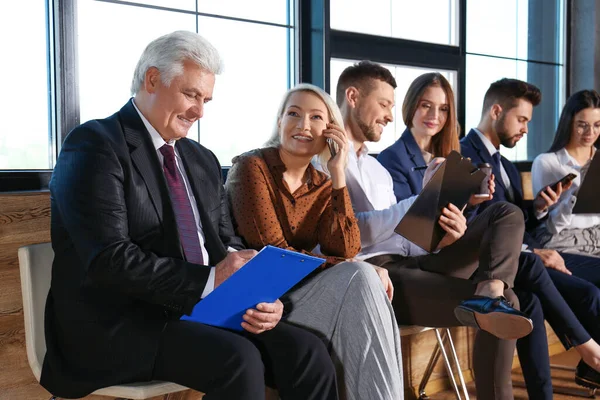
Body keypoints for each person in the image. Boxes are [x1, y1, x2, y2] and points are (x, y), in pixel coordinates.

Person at [44, 31, 338, 400]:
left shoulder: (201, 159)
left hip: (199, 310)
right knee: (239, 358)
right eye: (191, 95)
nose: (199, 111)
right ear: (152, 79)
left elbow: (225, 242)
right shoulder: (94, 145)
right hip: (120, 321)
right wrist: (211, 278)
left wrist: (259, 294)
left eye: (206, 99)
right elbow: (109, 260)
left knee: (307, 352)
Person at [330, 60, 535, 400]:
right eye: (384, 105)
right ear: (352, 97)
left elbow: (405, 239)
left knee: (506, 213)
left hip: (412, 261)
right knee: (508, 302)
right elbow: (351, 235)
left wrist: (446, 235)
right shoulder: (331, 161)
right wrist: (420, 200)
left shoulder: (377, 170)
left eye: (390, 107)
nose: (389, 116)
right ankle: (491, 295)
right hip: (377, 276)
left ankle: (491, 288)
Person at [226, 83, 403, 400]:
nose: (303, 125)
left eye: (316, 118)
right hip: (255, 299)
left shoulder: (322, 183)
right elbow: (275, 253)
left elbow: (346, 247)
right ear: (280, 121)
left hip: (297, 296)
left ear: (330, 131)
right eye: (293, 113)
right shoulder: (251, 167)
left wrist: (338, 174)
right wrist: (357, 266)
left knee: (362, 283)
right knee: (362, 277)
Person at [461, 80, 600, 392]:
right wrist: (538, 253)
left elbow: (522, 225)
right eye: (521, 120)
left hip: (523, 261)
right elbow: (474, 226)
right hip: (488, 267)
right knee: (586, 294)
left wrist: (539, 208)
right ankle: (591, 355)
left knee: (533, 303)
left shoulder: (507, 167)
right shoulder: (462, 156)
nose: (525, 129)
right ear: (497, 111)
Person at [531, 89, 600, 257]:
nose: (590, 133)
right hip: (563, 240)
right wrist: (573, 197)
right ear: (569, 123)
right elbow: (552, 226)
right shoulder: (547, 162)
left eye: (597, 125)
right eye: (582, 125)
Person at [378, 72, 461, 202]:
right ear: (411, 105)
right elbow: (404, 218)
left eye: (443, 109)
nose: (434, 115)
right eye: (426, 105)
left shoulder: (447, 153)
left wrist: (470, 200)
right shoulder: (392, 158)